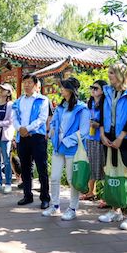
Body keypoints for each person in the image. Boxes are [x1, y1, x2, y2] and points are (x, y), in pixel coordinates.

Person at [98, 63, 127, 230]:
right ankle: (115, 209)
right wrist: (102, 134)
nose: (109, 75)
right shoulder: (107, 92)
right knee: (111, 173)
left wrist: (121, 137)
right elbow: (102, 114)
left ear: (120, 74)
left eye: (111, 73)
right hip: (108, 139)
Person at [43, 77, 89, 220]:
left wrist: (67, 140)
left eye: (63, 87)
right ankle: (55, 205)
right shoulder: (60, 107)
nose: (60, 89)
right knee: (55, 177)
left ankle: (72, 208)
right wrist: (52, 134)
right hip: (58, 147)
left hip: (72, 148)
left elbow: (84, 131)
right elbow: (55, 124)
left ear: (71, 90)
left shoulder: (82, 109)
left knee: (71, 179)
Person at [12, 74, 51, 208]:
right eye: (25, 82)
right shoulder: (19, 101)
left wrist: (27, 128)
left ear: (36, 85)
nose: (27, 85)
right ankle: (27, 195)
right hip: (22, 138)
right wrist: (19, 129)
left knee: (41, 168)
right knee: (25, 168)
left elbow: (42, 118)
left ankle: (45, 197)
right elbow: (14, 118)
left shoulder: (43, 100)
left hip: (37, 137)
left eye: (30, 83)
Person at [80, 80, 107, 201]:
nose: (93, 90)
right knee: (91, 165)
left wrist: (98, 124)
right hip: (89, 138)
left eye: (96, 88)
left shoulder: (106, 104)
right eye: (92, 88)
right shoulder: (89, 104)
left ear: (103, 91)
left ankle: (107, 197)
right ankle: (91, 192)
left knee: (104, 166)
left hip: (101, 138)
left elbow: (109, 121)